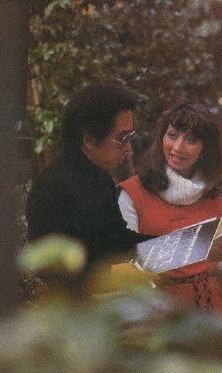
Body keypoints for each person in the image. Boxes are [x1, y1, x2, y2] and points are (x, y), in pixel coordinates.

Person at [118, 100, 222, 314]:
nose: (178, 148)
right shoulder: (133, 193)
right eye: (172, 135)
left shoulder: (216, 196)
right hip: (157, 313)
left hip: (211, 311)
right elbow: (124, 265)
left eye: (191, 140)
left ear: (204, 149)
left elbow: (220, 264)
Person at [26, 83, 152, 273]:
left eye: (130, 137)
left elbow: (118, 242)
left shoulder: (100, 177)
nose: (128, 148)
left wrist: (172, 246)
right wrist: (118, 274)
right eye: (122, 139)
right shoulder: (51, 189)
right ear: (90, 140)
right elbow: (51, 270)